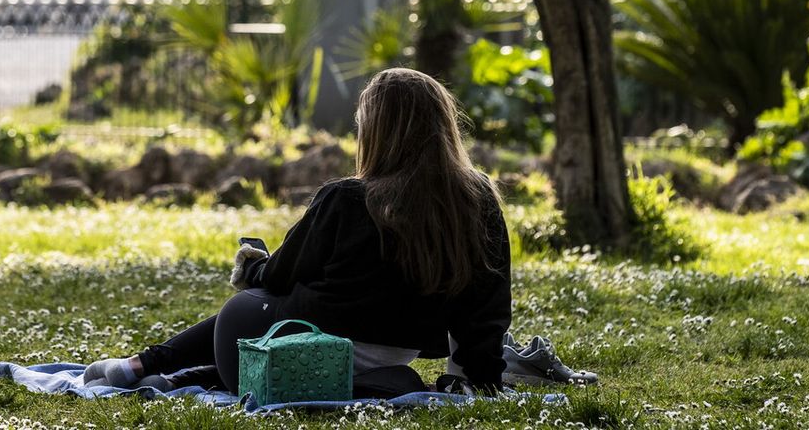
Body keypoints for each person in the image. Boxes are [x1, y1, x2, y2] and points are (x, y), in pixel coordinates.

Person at [82, 67, 512, 396]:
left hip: (305, 344)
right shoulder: (476, 199)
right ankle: (163, 373)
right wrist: (479, 376)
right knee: (286, 342)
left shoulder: (347, 197)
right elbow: (488, 303)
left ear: (377, 131)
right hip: (392, 351)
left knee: (252, 308)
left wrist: (251, 270)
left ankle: (141, 366)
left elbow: (282, 275)